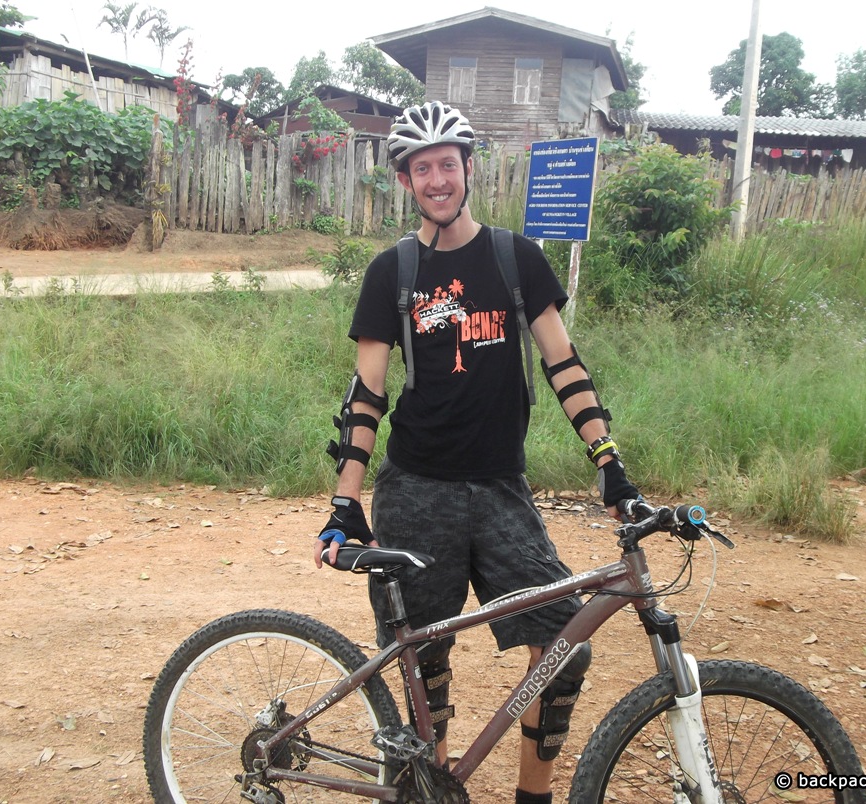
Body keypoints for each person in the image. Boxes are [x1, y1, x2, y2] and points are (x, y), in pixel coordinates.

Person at [314, 101, 641, 804]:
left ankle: (534, 797)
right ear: (407, 182)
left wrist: (610, 465)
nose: (437, 179)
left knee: (563, 645)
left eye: (447, 164)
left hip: (500, 489)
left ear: (469, 168)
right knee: (425, 662)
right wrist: (345, 499)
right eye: (422, 168)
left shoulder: (516, 258)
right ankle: (429, 789)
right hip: (416, 490)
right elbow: (366, 396)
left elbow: (566, 368)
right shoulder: (391, 272)